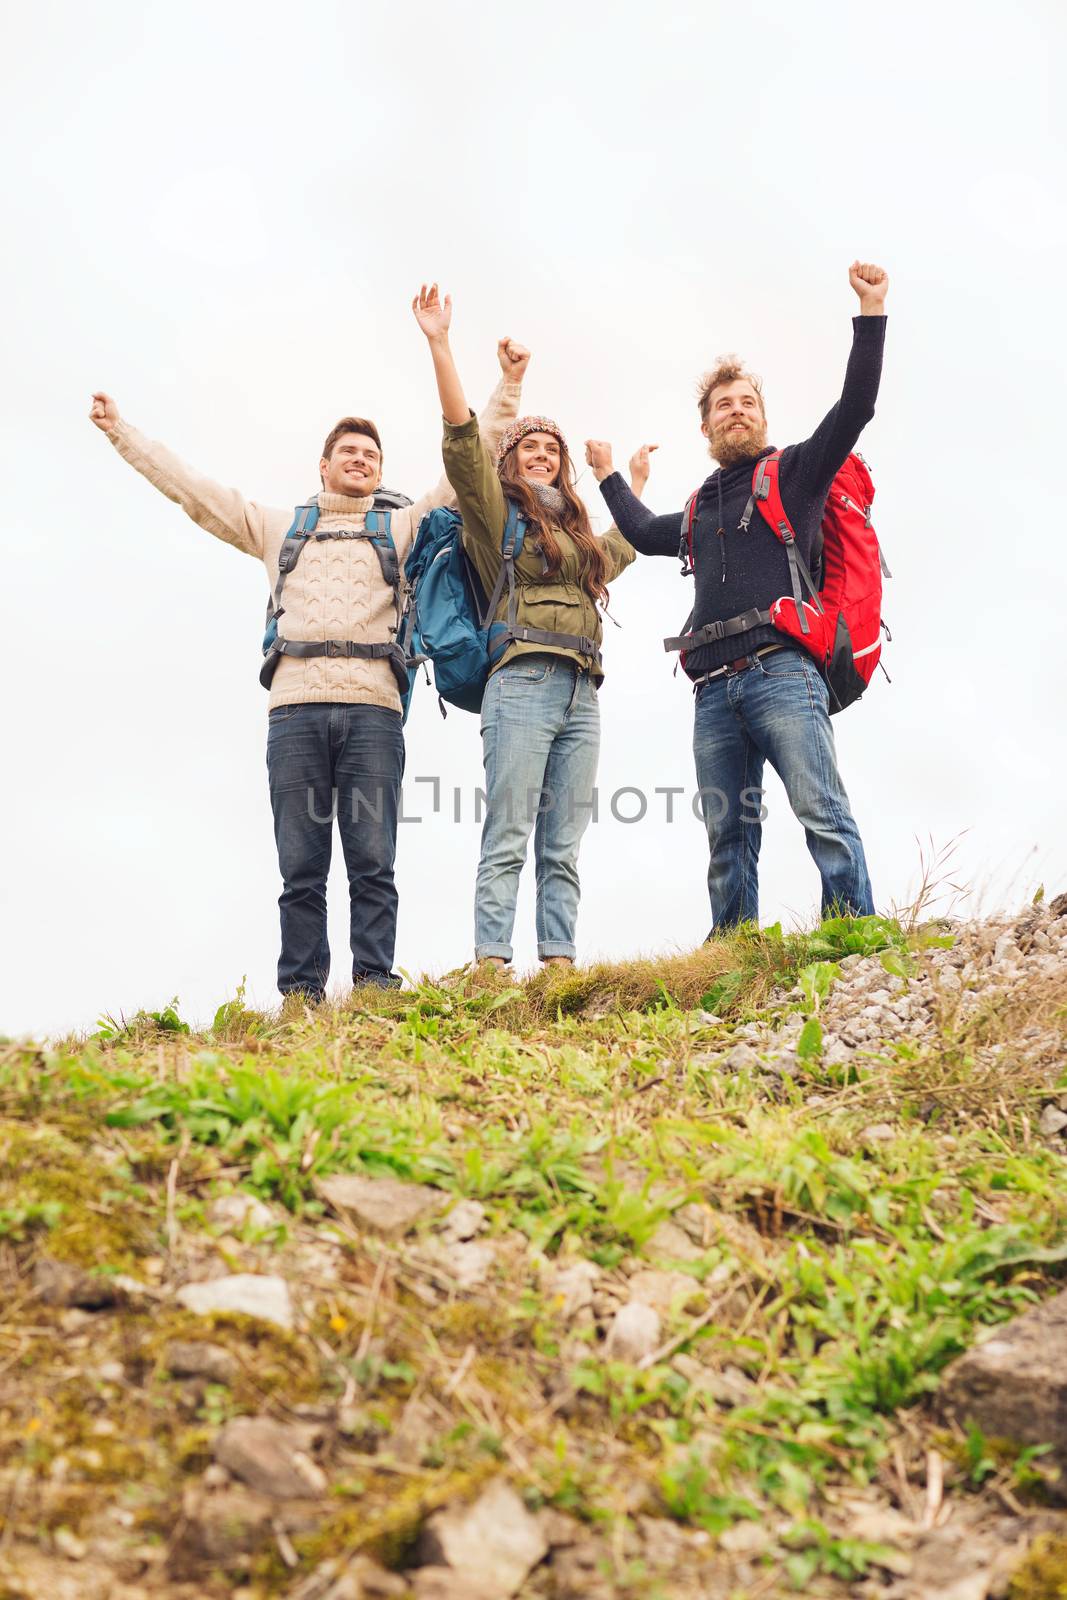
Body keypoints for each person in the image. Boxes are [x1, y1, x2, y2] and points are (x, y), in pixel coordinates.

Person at [89, 345, 526, 1001]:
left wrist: (510, 381)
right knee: (301, 866)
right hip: (292, 710)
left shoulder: (402, 525)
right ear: (323, 465)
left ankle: (375, 987)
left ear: (380, 471)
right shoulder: (276, 527)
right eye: (348, 452)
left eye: (370, 455)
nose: (360, 460)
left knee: (373, 862)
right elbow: (193, 492)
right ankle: (301, 995)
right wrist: (122, 432)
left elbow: (470, 457)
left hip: (374, 712)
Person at [585, 261, 888, 932]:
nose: (736, 411)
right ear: (707, 428)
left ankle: (852, 937)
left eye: (746, 402)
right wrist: (608, 475)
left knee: (821, 811)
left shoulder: (797, 474)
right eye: (723, 405)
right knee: (727, 841)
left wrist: (870, 312)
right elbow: (638, 529)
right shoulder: (696, 509)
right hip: (711, 693)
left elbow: (856, 406)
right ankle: (732, 953)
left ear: (761, 416)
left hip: (782, 674)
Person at [412, 283, 641, 970]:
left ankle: (558, 968)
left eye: (551, 449)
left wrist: (625, 481)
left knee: (563, 842)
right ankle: (488, 966)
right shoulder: (493, 513)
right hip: (520, 682)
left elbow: (620, 551)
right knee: (508, 831)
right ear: (509, 460)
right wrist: (440, 344)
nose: (541, 454)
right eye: (529, 446)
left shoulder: (576, 538)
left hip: (581, 690)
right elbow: (459, 443)